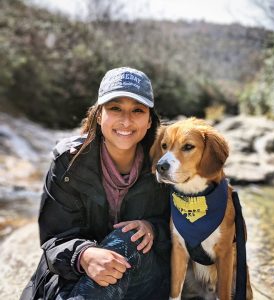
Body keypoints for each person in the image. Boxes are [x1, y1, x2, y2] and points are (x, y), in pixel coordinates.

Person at [20, 67, 171, 300]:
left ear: (149, 120)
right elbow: (53, 239)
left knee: (127, 239)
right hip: (74, 274)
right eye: (115, 108)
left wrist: (153, 228)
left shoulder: (164, 166)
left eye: (137, 110)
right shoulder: (69, 163)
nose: (126, 120)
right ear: (99, 114)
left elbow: (184, 227)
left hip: (142, 279)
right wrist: (84, 255)